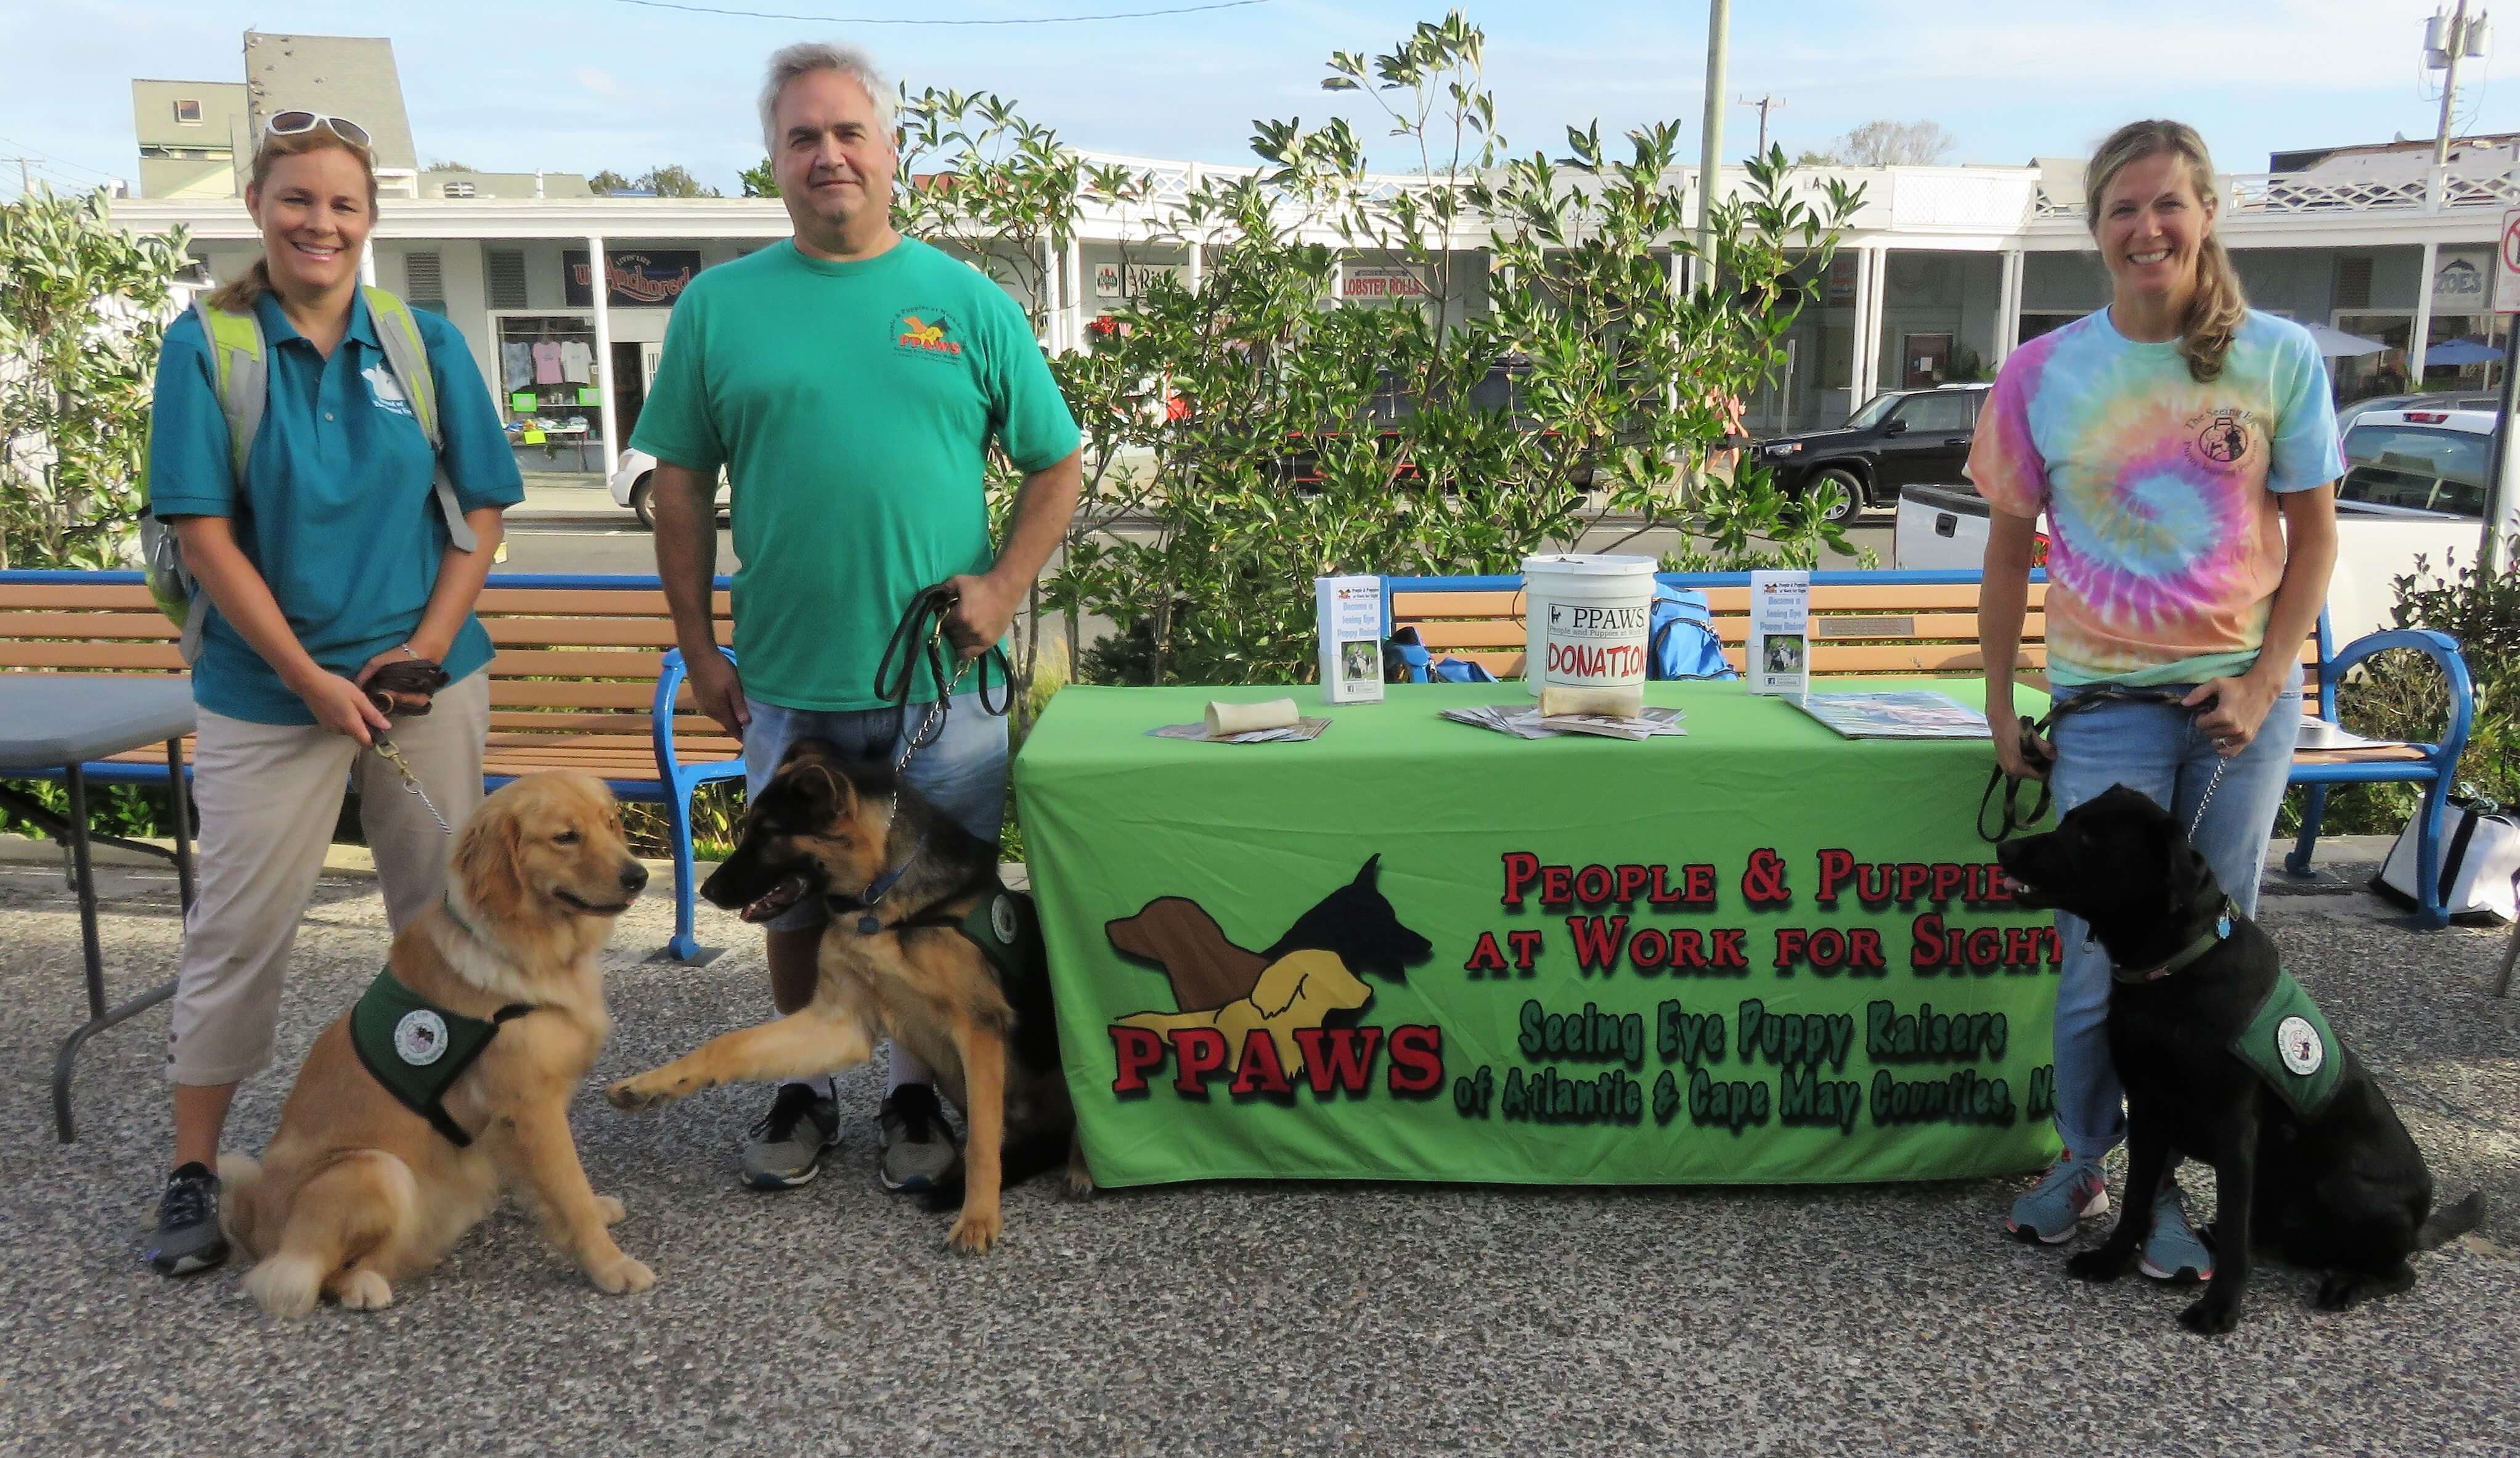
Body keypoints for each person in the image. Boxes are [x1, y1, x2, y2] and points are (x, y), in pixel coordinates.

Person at [635, 42, 1082, 1195]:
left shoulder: (966, 302)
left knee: (938, 911)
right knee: (791, 893)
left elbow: (1056, 464)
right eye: (801, 137)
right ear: (774, 162)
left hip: (944, 688)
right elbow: (678, 484)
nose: (827, 155)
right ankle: (807, 1088)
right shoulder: (719, 308)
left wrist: (999, 586)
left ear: (893, 154)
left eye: (847, 133)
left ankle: (912, 1097)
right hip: (789, 675)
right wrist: (695, 647)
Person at [141, 114, 522, 1274]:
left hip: (423, 682)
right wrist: (309, 678)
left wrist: (419, 651)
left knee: (452, 925)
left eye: (343, 204)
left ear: (371, 217)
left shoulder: (422, 342)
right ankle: (195, 1171)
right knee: (239, 931)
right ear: (258, 204)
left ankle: (463, 1138)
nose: (321, 222)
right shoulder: (208, 347)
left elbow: (482, 511)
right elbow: (202, 534)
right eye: (298, 200)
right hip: (269, 688)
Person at [1972, 119, 2340, 1279]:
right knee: (2096, 962)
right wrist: (1998, 705)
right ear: (2094, 232)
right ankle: (2088, 1160)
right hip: (2103, 707)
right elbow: (2005, 549)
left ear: (2206, 214)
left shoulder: (2276, 358)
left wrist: (2264, 680)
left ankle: (2180, 1185)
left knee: (2211, 963)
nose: (2146, 229)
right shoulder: (2042, 373)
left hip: (2238, 704)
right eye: (2122, 209)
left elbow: (2318, 539)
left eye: (2166, 205)